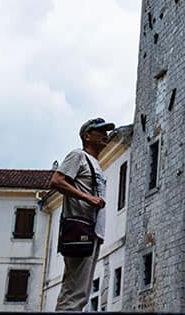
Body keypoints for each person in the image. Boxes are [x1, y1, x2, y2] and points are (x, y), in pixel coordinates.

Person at [51, 117, 115, 311]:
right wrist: (89, 199)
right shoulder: (78, 156)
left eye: (106, 131)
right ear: (87, 135)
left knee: (80, 291)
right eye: (100, 131)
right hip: (80, 229)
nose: (105, 135)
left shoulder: (95, 163)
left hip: (91, 231)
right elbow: (57, 181)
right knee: (75, 291)